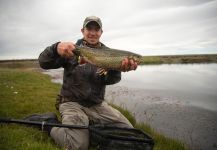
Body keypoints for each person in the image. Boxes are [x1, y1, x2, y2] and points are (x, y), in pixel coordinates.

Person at [38, 16, 138, 150]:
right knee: (77, 146)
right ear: (82, 31)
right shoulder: (71, 49)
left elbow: (111, 80)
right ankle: (50, 124)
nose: (92, 32)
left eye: (96, 29)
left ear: (101, 32)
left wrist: (117, 69)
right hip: (71, 102)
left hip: (97, 105)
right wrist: (56, 48)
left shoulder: (110, 53)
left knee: (130, 134)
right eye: (89, 28)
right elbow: (43, 63)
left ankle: (88, 128)